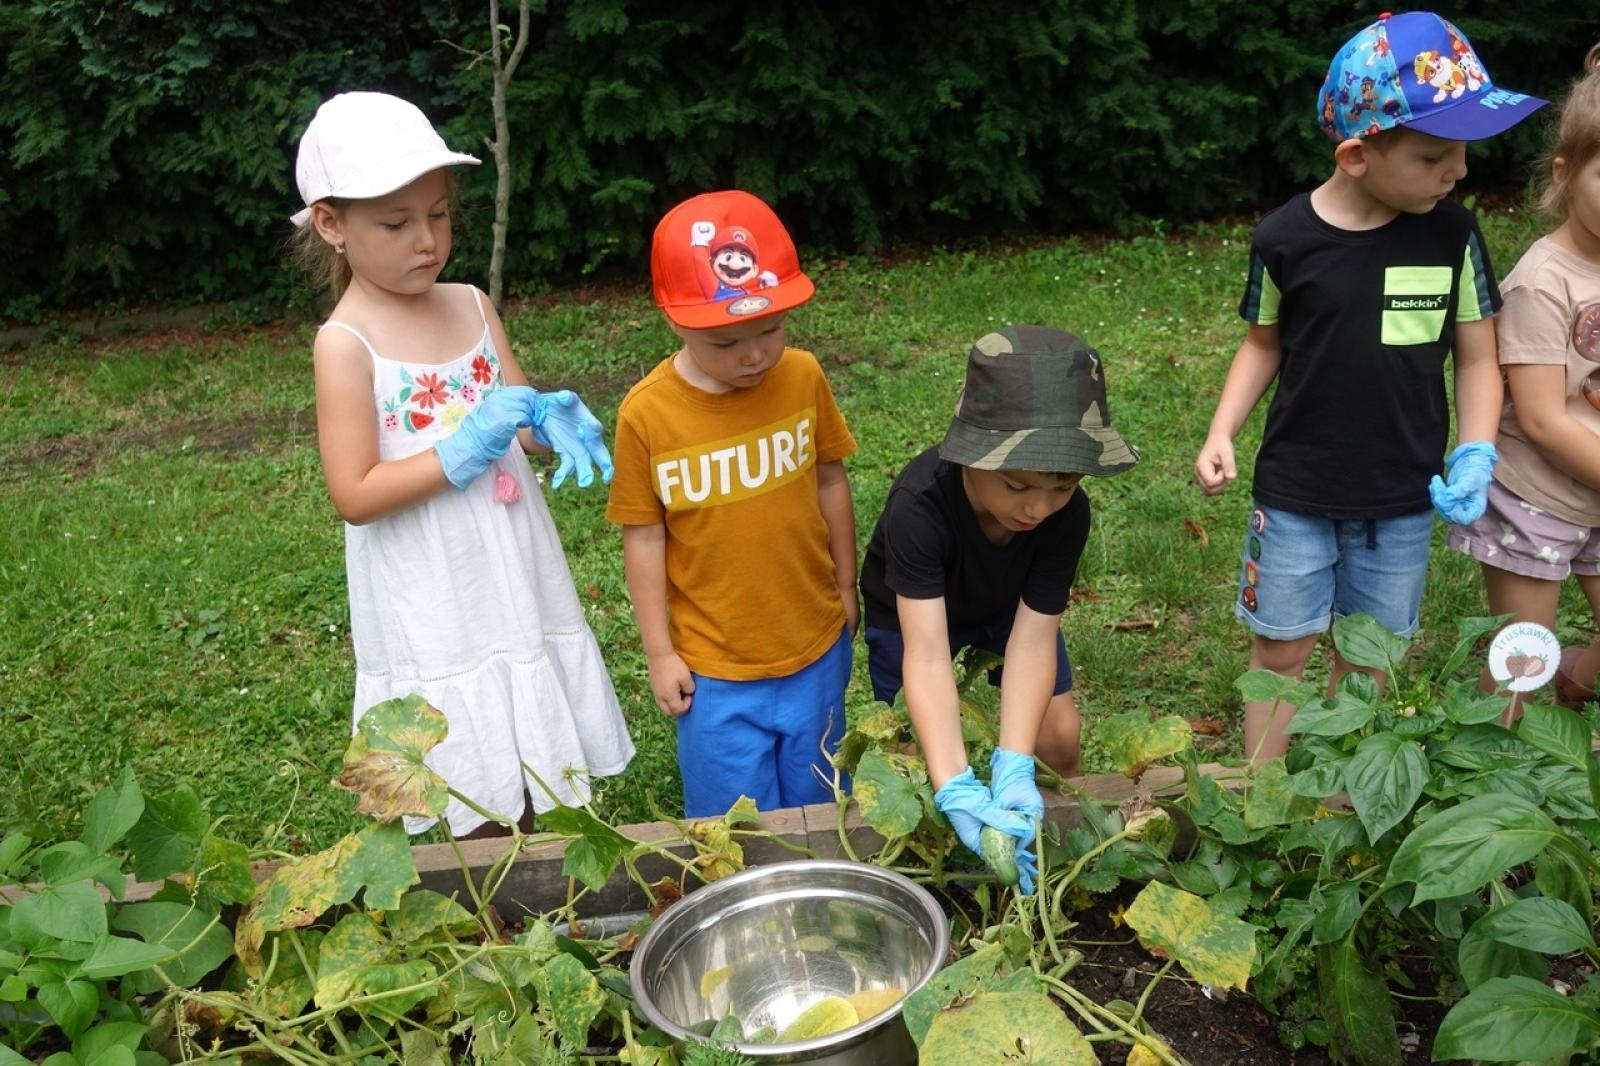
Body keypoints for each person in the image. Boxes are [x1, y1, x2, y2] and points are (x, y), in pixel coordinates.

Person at [1193, 12, 1545, 761]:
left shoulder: (1453, 236)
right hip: (1293, 494)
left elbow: (1479, 357)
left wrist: (1476, 451)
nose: (1459, 171)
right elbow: (1263, 342)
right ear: (1356, 155)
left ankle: (1349, 800)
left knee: (1370, 662)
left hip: (1401, 500)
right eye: (1433, 155)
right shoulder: (1285, 239)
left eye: (1463, 153)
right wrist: (1222, 429)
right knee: (1281, 656)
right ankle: (1267, 798)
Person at [290, 92, 633, 836]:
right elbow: (354, 492)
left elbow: (512, 415)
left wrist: (545, 419)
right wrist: (459, 449)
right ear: (330, 223)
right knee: (460, 743)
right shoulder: (346, 343)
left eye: (439, 214)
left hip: (508, 555)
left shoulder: (473, 304)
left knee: (529, 709)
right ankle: (477, 884)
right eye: (397, 222)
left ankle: (545, 872)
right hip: (432, 582)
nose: (427, 240)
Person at [860, 326, 1140, 895]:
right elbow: (930, 657)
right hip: (916, 618)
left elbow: (1034, 639)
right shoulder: (919, 508)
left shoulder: (1067, 516)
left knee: (1058, 736)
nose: (1039, 507)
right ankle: (937, 866)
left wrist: (1013, 762)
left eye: (1062, 487)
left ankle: (1053, 840)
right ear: (970, 456)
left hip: (1010, 609)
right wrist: (955, 783)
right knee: (916, 752)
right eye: (1018, 486)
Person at [606, 190, 858, 818]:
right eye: (724, 342)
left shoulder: (802, 377)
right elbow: (643, 537)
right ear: (673, 318)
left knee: (823, 809)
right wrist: (660, 653)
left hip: (815, 645)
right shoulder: (648, 414)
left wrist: (848, 584)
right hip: (714, 670)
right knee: (734, 825)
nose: (753, 354)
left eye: (770, 329)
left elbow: (831, 481)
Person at [1447, 57, 1600, 713]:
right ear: (1565, 175)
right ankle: (1487, 768)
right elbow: (1540, 418)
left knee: (1548, 665)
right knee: (1523, 652)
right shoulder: (1544, 280)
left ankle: (1577, 681)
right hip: (1535, 497)